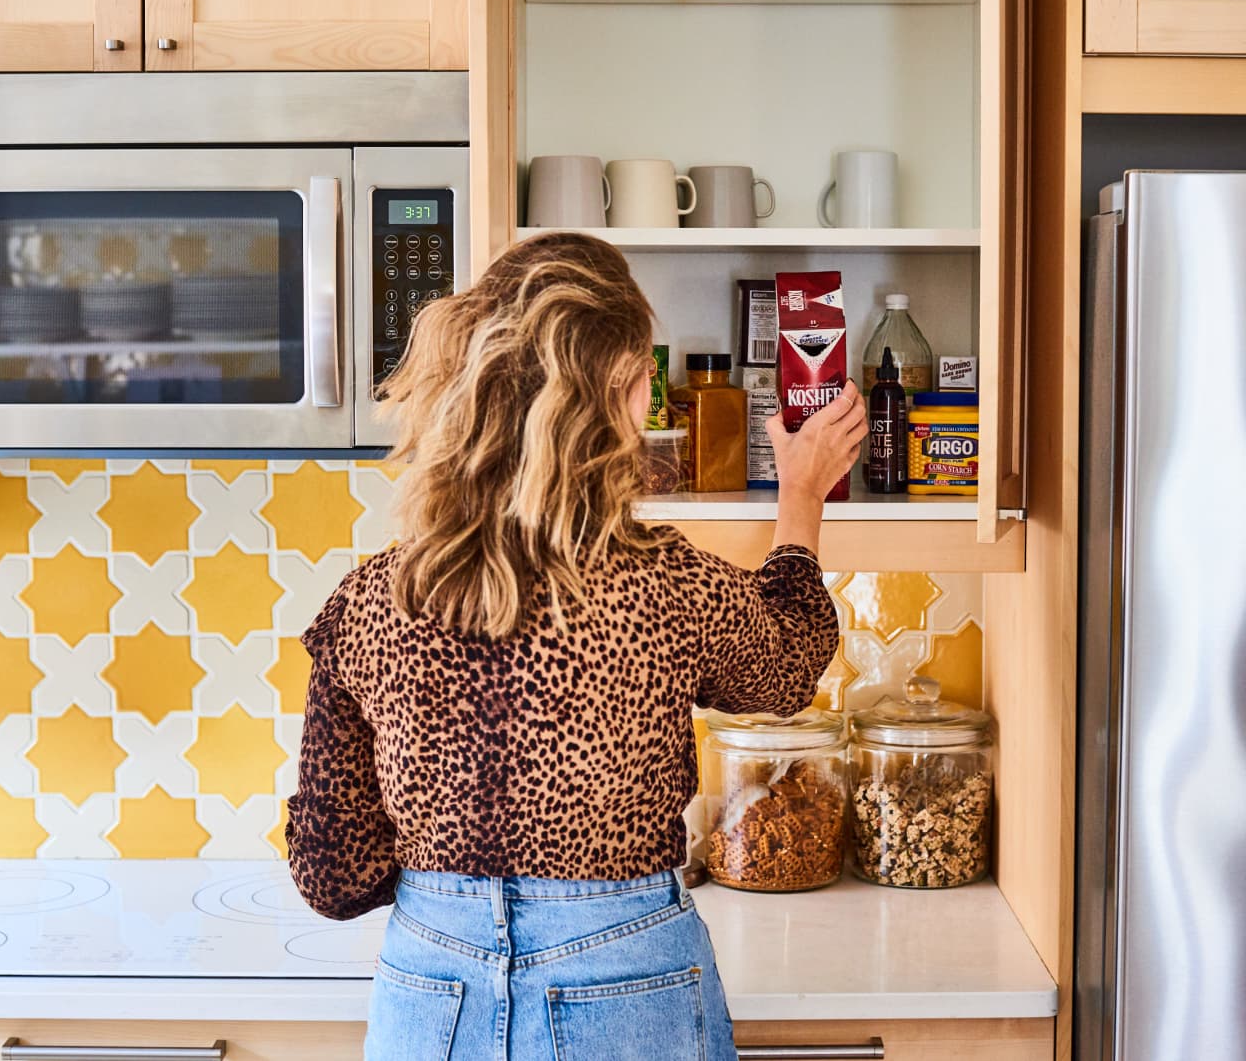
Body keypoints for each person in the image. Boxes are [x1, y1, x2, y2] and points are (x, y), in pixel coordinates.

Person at [286, 232, 866, 1060]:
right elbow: (788, 663)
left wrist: (458, 891)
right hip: (627, 984)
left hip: (430, 996)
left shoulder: (373, 601)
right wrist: (802, 493)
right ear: (621, 400)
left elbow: (332, 875)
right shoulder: (665, 583)